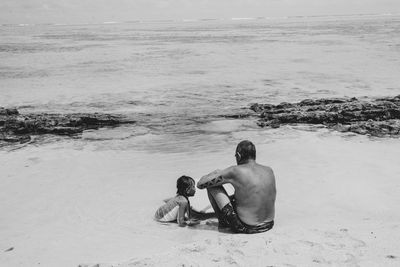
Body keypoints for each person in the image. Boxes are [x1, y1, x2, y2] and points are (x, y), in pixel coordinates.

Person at [197, 140, 276, 234]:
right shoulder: (269, 170)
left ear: (238, 155)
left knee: (212, 186)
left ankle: (223, 223)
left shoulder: (234, 171)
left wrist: (215, 173)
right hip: (269, 224)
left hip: (247, 227)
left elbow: (200, 184)